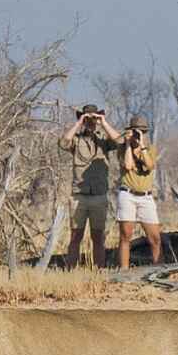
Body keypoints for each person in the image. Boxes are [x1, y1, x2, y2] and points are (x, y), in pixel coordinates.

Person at [57, 103, 121, 267]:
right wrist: (79, 122)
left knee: (98, 237)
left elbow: (120, 141)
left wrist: (103, 123)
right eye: (88, 119)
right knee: (75, 236)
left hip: (99, 195)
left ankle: (99, 270)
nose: (91, 121)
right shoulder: (76, 141)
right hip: (79, 196)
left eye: (93, 118)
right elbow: (63, 143)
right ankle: (70, 272)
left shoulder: (104, 141)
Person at [113, 114, 161, 267]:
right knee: (125, 235)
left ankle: (159, 268)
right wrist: (128, 144)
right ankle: (124, 271)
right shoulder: (122, 149)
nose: (137, 134)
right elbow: (127, 165)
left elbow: (150, 165)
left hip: (146, 197)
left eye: (141, 132)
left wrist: (142, 146)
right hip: (128, 194)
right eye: (135, 131)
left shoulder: (151, 149)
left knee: (155, 238)